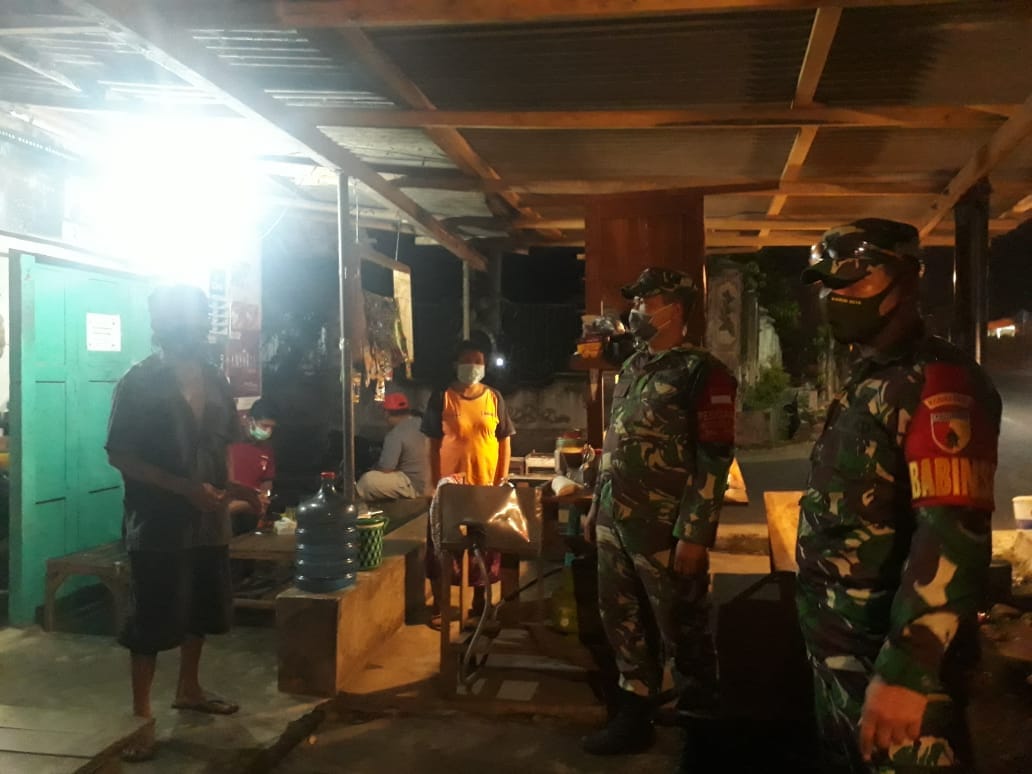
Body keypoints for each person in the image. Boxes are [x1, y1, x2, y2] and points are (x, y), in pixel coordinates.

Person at [796, 218, 1001, 773]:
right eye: (829, 284)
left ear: (906, 280)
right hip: (844, 649)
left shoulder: (938, 382)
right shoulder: (871, 376)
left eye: (854, 279)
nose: (836, 296)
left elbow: (953, 534)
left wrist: (907, 671)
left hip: (893, 663)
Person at [582, 267, 737, 758]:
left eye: (646, 302)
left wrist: (695, 532)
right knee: (622, 620)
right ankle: (635, 715)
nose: (637, 311)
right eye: (636, 302)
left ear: (675, 309)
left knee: (682, 626)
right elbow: (615, 442)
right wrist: (596, 505)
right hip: (615, 520)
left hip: (665, 528)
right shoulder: (634, 366)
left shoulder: (702, 372)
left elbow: (715, 457)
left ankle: (702, 727)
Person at [106, 285, 260, 762]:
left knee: (202, 608)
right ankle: (141, 719)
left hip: (208, 520)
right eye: (178, 318)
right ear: (160, 324)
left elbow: (224, 446)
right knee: (151, 618)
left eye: (195, 318)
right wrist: (182, 489)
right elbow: (120, 454)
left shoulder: (215, 379)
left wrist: (236, 490)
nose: (188, 326)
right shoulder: (138, 382)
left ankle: (189, 689)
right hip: (157, 522)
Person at [421, 340, 516, 628]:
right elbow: (432, 443)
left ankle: (480, 605)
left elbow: (504, 440)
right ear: (456, 364)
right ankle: (441, 606)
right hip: (449, 489)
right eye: (467, 360)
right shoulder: (442, 397)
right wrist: (432, 484)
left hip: (485, 487)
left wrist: (501, 479)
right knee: (442, 549)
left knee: (484, 551)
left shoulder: (494, 398)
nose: (472, 366)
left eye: (478, 361)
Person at [356, 392, 430, 500]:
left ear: (386, 413)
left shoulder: (395, 434)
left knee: (367, 481)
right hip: (431, 482)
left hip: (414, 485)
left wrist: (374, 468)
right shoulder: (422, 422)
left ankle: (355, 505)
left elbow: (386, 469)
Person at [227, 398, 279, 535]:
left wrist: (264, 499)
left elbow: (266, 486)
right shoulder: (229, 443)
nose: (268, 431)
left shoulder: (267, 450)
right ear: (250, 420)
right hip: (226, 515)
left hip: (252, 518)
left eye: (272, 428)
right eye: (264, 426)